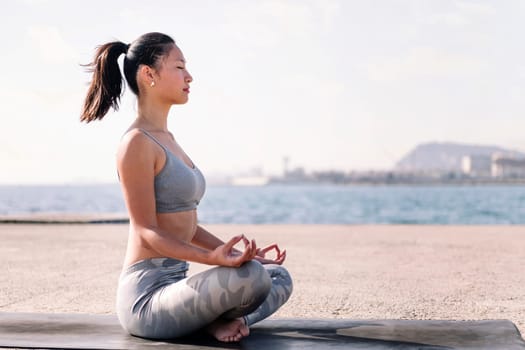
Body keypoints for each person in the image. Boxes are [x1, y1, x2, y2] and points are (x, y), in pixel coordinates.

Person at [80, 32, 293, 342]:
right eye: (179, 67)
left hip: (178, 291)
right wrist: (216, 259)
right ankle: (212, 322)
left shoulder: (169, 140)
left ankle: (216, 321)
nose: (189, 76)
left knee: (276, 276)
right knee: (254, 280)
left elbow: (186, 229)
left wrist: (236, 254)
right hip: (147, 300)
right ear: (148, 74)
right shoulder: (137, 143)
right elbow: (146, 231)